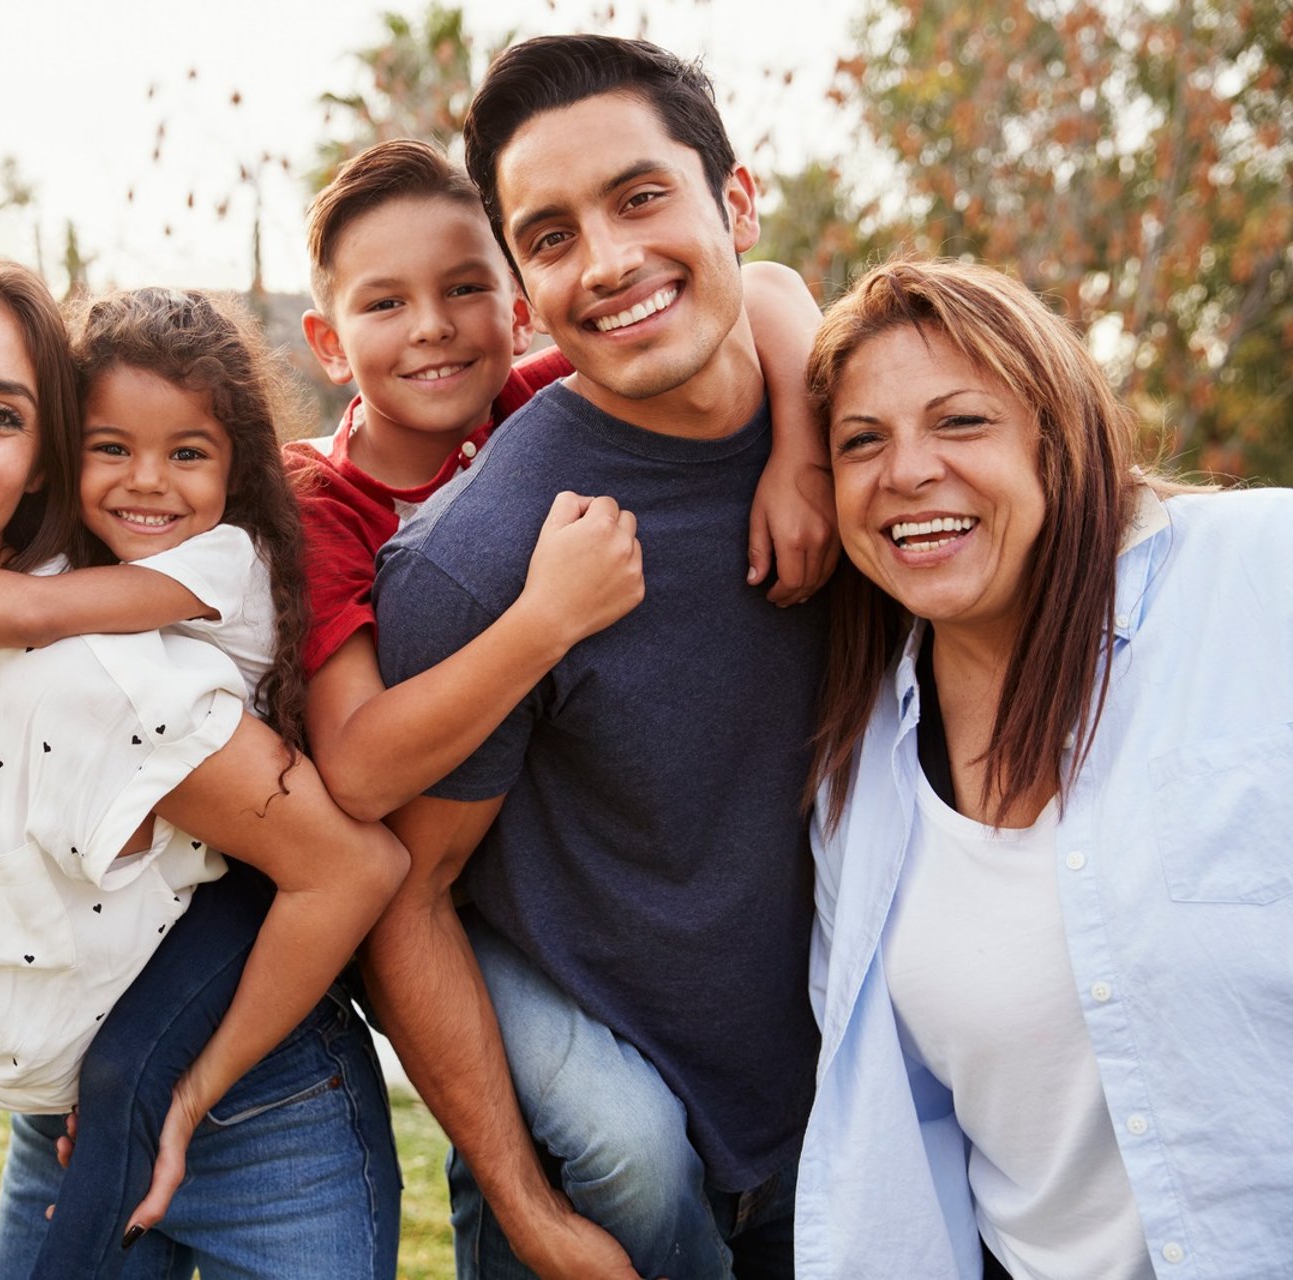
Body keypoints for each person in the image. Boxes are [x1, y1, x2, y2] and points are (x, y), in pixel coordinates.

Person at [0, 262, 408, 1280]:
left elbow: (352, 865)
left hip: (262, 1108)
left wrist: (182, 1096)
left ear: (36, 461)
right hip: (62, 1096)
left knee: (122, 1096)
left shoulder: (102, 670)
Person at [364, 36, 836, 1280]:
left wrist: (807, 441)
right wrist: (528, 1204)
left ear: (733, 202)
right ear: (523, 286)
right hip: (604, 1191)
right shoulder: (484, 564)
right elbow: (407, 896)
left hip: (847, 1136)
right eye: (555, 235)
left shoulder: (864, 446)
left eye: (640, 198)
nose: (612, 261)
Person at [796, 258, 1293, 1279]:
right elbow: (906, 1144)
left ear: (1055, 440)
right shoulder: (857, 789)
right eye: (861, 442)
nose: (909, 471)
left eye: (962, 422)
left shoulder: (1260, 574)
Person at [289, 137, 830, 828]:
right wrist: (549, 619)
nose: (433, 327)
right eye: (386, 304)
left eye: (463, 288)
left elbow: (763, 285)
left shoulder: (533, 403)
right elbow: (357, 773)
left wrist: (803, 457)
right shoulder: (316, 499)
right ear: (331, 344)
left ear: (521, 315)